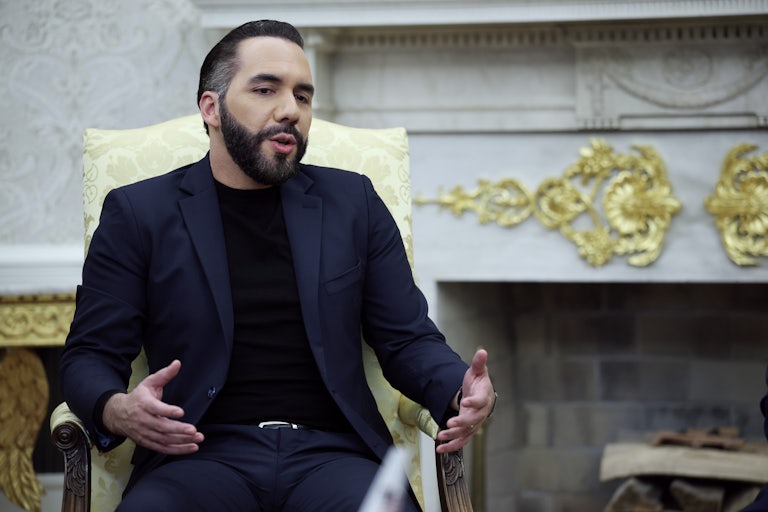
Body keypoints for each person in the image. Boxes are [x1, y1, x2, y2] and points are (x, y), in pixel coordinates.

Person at [60, 19, 496, 512]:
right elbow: (89, 354)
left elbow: (407, 339)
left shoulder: (352, 203)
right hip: (196, 456)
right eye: (266, 89)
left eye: (302, 96)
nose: (290, 110)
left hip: (334, 456)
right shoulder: (141, 213)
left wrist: (459, 388)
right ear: (211, 108)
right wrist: (117, 409)